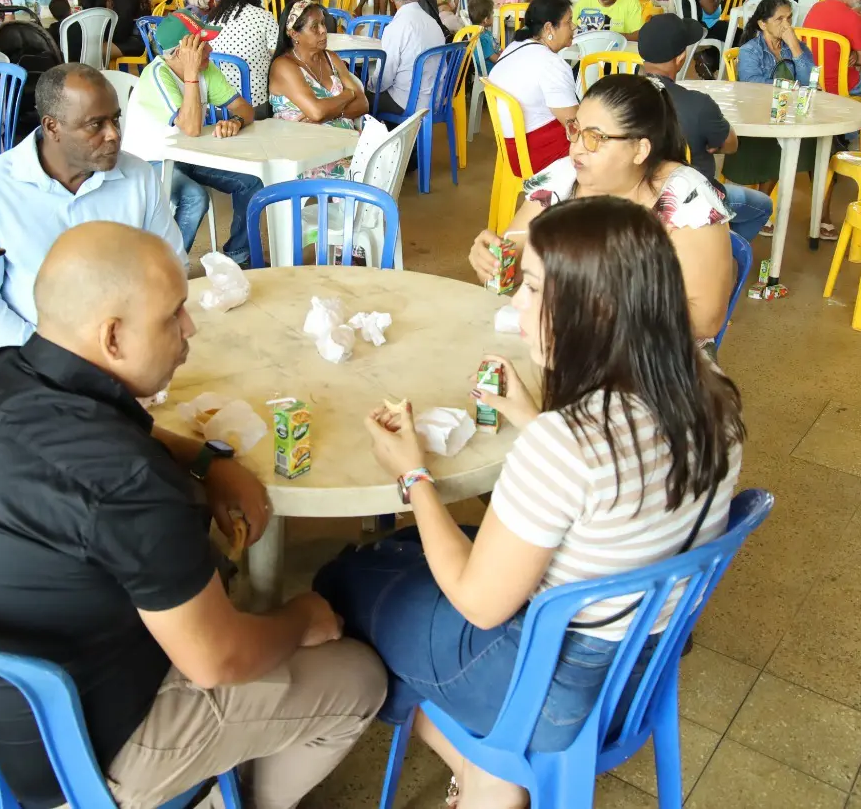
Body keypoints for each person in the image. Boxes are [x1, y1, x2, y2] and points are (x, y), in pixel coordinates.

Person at [0, 217, 384, 809]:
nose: (190, 327)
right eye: (173, 314)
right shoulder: (132, 482)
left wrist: (207, 460)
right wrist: (302, 618)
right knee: (358, 677)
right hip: (66, 760)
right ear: (113, 339)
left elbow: (129, 433)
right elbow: (215, 660)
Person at [318, 193, 742, 808]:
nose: (516, 304)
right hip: (641, 664)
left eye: (535, 289)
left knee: (342, 578)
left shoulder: (567, 442)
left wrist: (413, 476)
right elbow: (616, 486)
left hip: (547, 688)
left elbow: (479, 605)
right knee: (410, 550)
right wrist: (528, 410)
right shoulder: (713, 392)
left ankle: (487, 768)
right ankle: (487, 775)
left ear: (596, 308)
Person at [472, 73, 736, 341]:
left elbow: (704, 320)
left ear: (640, 149)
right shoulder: (564, 178)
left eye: (594, 138)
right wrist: (494, 263)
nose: (575, 149)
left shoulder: (687, 201)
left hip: (650, 360)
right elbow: (515, 261)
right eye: (575, 131)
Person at [0, 64, 183, 347]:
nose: (113, 134)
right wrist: (44, 356)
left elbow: (172, 263)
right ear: (52, 127)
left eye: (116, 120)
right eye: (95, 124)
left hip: (131, 345)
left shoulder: (138, 176)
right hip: (35, 353)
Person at [138, 13, 265, 266]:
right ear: (180, 53)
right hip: (152, 161)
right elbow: (192, 128)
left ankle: (238, 254)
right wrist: (192, 73)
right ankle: (167, 270)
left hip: (190, 157)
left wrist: (235, 122)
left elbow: (247, 111)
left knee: (252, 182)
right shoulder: (158, 76)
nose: (210, 49)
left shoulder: (208, 69)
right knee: (194, 197)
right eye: (201, 45)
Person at [638, 16, 771, 241]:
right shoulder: (698, 104)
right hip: (692, 200)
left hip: (635, 196)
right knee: (763, 205)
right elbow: (730, 145)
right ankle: (723, 252)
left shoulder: (619, 95)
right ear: (680, 58)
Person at [268, 2, 370, 178]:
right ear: (294, 34)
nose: (323, 30)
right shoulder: (284, 66)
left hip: (343, 143)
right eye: (315, 27)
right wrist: (348, 94)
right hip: (305, 151)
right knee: (361, 177)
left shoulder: (330, 58)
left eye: (323, 23)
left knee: (380, 164)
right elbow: (316, 112)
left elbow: (363, 104)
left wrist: (329, 113)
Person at [486, 0, 578, 176]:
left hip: (512, 149)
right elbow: (574, 127)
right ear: (549, 28)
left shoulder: (515, 47)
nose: (574, 27)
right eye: (569, 22)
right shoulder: (551, 64)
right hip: (536, 154)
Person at [379, 0, 448, 115]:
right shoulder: (434, 23)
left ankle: (395, 135)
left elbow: (384, 79)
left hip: (406, 104)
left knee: (361, 97)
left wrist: (366, 84)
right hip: (434, 101)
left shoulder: (395, 27)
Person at [207, 0, 278, 100]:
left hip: (218, 102)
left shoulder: (213, 18)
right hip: (255, 99)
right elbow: (277, 54)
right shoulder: (263, 17)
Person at [468, 0, 500, 68]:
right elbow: (495, 59)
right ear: (485, 19)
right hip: (491, 72)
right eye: (492, 14)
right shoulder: (482, 38)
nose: (493, 16)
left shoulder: (482, 33)